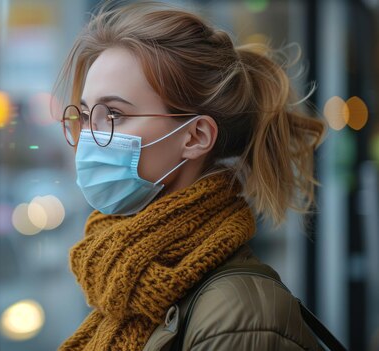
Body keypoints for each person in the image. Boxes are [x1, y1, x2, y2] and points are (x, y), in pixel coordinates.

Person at [55, 2, 327, 350]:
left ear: (195, 136)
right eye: (84, 114)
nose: (89, 137)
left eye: (113, 114)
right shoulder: (125, 286)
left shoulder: (239, 314)